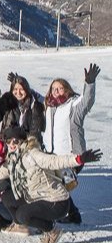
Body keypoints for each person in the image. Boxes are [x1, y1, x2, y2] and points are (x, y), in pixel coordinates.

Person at [0, 126, 103, 243]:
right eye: (8, 141)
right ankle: (20, 226)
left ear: (22, 141)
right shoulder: (12, 159)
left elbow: (55, 161)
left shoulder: (33, 154)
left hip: (56, 201)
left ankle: (51, 230)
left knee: (22, 215)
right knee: (7, 196)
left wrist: (79, 159)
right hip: (36, 197)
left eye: (15, 141)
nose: (11, 144)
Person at [42, 63, 100, 225]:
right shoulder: (49, 106)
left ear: (66, 89)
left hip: (72, 156)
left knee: (62, 185)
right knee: (61, 185)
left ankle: (71, 214)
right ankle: (72, 213)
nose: (57, 91)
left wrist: (89, 83)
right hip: (53, 156)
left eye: (60, 88)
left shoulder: (73, 105)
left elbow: (87, 101)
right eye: (54, 89)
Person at [0, 74, 45, 144]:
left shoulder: (35, 105)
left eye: (21, 89)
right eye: (15, 89)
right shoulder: (8, 100)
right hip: (8, 144)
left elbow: (35, 132)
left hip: (27, 147)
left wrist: (18, 136)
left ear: (27, 89)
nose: (18, 93)